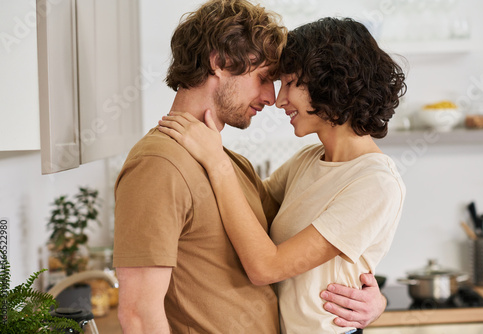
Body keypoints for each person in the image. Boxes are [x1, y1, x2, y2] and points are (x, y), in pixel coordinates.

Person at [113, 1, 387, 333]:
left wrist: (369, 296)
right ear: (219, 62)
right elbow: (139, 316)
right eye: (264, 78)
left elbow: (287, 250)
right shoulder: (159, 164)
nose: (272, 97)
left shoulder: (227, 162)